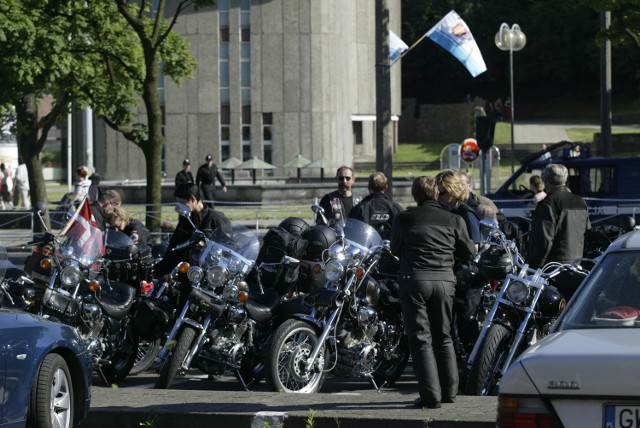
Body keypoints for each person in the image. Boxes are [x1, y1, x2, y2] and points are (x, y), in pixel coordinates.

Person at [390, 176, 476, 409]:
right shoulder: (454, 219)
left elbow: (394, 248)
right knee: (444, 336)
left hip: (415, 280)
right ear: (437, 193)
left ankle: (430, 395)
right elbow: (469, 252)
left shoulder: (404, 219)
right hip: (445, 282)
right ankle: (450, 391)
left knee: (420, 338)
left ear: (415, 195)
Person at [154, 183, 230, 276]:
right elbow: (175, 248)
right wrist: (157, 271)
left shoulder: (217, 218)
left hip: (211, 275)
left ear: (193, 199)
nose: (180, 206)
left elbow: (229, 247)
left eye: (182, 203)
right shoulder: (185, 220)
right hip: (189, 273)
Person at [527, 164, 590, 269]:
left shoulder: (548, 204)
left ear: (545, 180)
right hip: (578, 263)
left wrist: (532, 267)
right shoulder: (580, 201)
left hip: (554, 267)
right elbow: (587, 232)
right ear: (565, 180)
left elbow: (544, 241)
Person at [348, 172, 403, 239]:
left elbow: (351, 233)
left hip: (368, 247)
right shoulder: (396, 208)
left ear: (368, 187)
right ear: (386, 187)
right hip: (391, 248)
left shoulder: (359, 208)